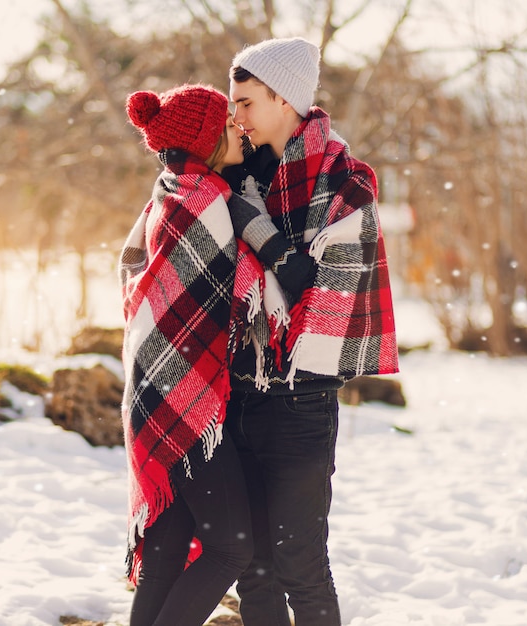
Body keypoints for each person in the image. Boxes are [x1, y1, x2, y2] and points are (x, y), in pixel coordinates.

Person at [221, 38, 400, 625]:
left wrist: (257, 232)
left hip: (302, 397)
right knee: (251, 563)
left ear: (284, 97)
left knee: (298, 558)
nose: (237, 116)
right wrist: (265, 237)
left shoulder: (345, 184)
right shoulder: (236, 173)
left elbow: (311, 288)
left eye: (246, 102)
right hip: (240, 385)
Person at [119, 83, 281, 626]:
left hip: (153, 394)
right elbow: (240, 285)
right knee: (232, 549)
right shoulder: (205, 204)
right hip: (185, 403)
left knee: (166, 555)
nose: (239, 127)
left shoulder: (170, 192)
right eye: (227, 123)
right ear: (208, 138)